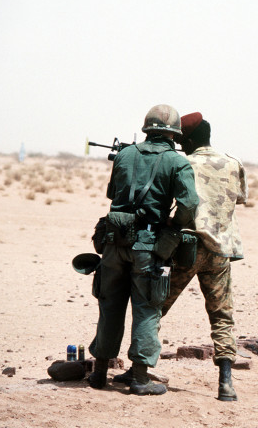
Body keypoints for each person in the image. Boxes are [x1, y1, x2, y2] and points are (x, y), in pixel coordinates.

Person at [88, 104, 199, 395]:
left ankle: (99, 373)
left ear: (147, 128)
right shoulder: (177, 163)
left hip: (114, 242)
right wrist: (175, 224)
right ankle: (139, 378)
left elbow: (112, 193)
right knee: (147, 309)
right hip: (148, 246)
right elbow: (189, 204)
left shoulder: (124, 155)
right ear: (175, 134)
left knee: (109, 305)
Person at [157, 112, 247, 401]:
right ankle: (226, 383)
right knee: (222, 316)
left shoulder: (183, 163)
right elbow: (239, 199)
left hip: (187, 248)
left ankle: (141, 368)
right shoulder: (233, 162)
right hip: (220, 251)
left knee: (155, 307)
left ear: (188, 140)